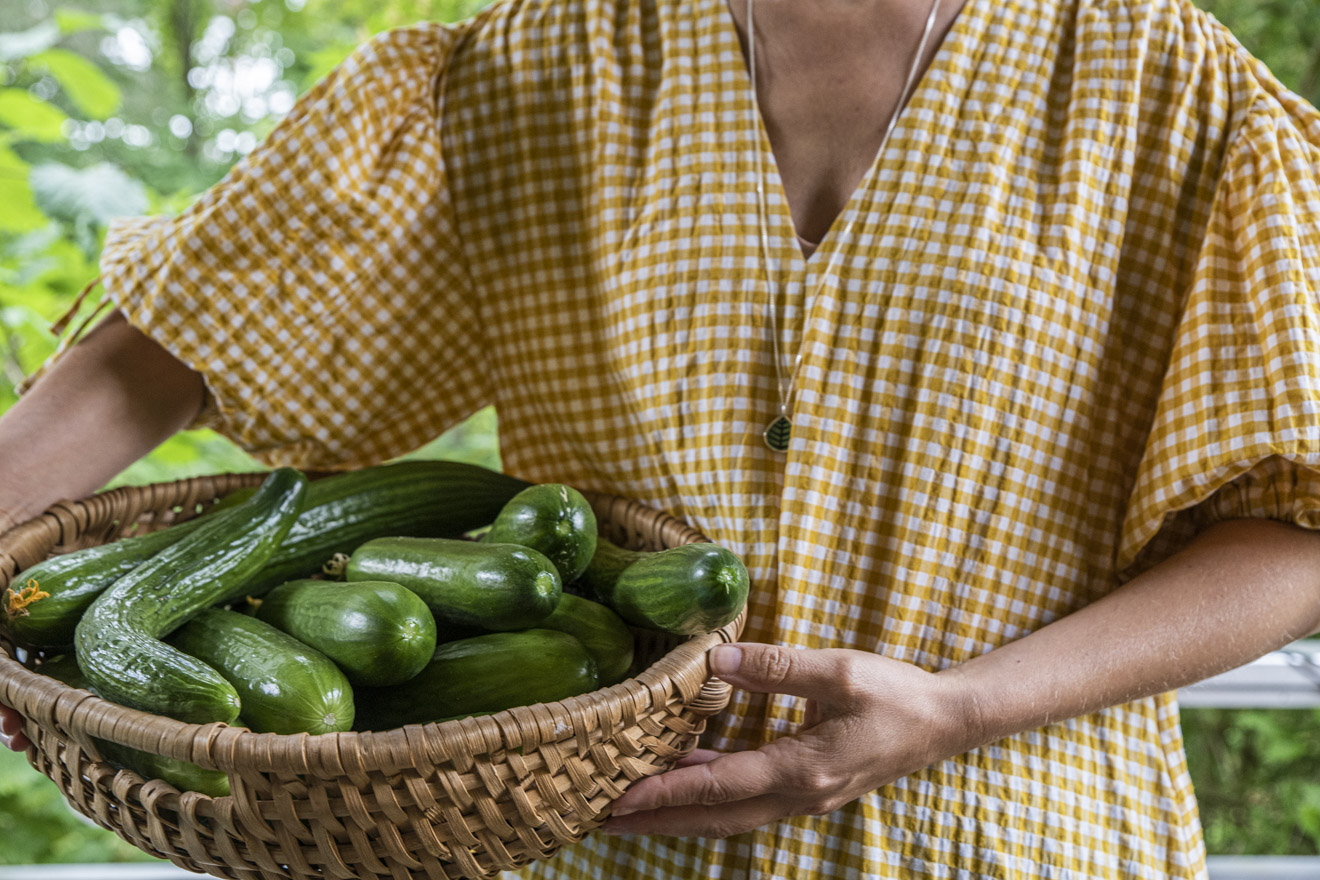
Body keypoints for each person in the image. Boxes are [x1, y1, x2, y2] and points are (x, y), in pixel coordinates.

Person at [2, 0, 1320, 875]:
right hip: (610, 842)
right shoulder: (535, 64)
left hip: (1013, 836)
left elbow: (1298, 528)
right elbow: (181, 340)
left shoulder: (1164, 84)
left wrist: (959, 708)